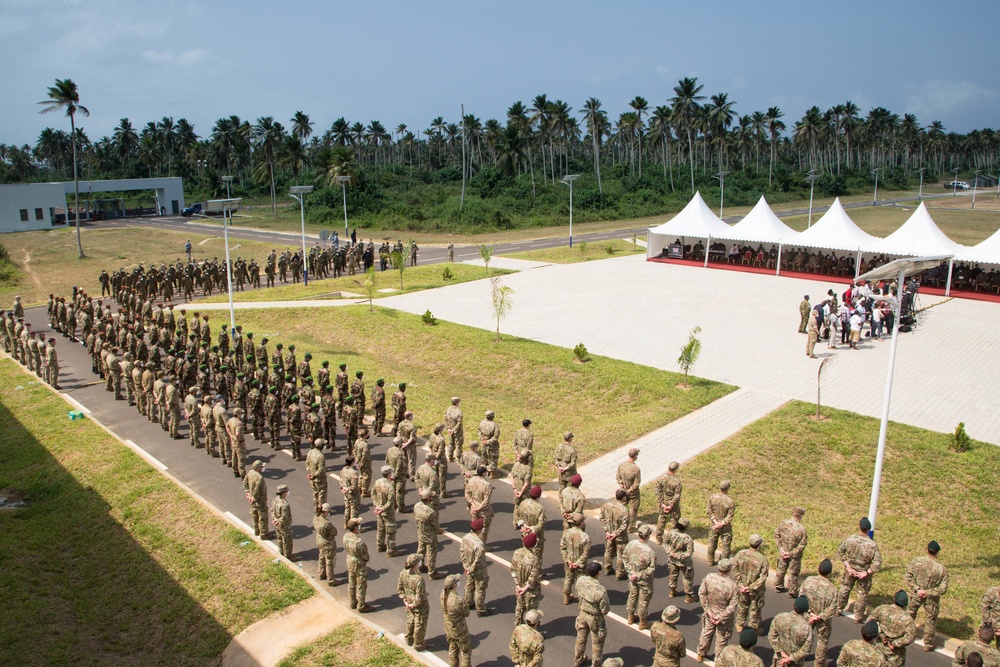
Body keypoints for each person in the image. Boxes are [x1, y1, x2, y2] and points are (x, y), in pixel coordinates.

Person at [905, 540, 949, 650]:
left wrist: (917, 589)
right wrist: (928, 592)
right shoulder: (940, 569)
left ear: (927, 549)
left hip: (916, 594)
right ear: (937, 552)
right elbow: (943, 588)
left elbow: (908, 577)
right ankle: (928, 643)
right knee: (931, 619)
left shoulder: (917, 562)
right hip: (931, 599)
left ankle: (906, 634)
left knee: (910, 613)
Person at [837, 517, 882, 621]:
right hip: (863, 574)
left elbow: (840, 552)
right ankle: (858, 616)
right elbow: (877, 562)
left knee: (845, 589)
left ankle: (838, 609)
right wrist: (867, 572)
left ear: (859, 527)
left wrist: (848, 566)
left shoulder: (850, 539)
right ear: (869, 529)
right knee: (862, 594)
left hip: (850, 570)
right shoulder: (872, 545)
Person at [697, 559, 739, 662]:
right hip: (724, 618)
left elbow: (702, 594)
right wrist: (720, 616)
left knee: (706, 633)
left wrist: (708, 610)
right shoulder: (732, 586)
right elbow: (732, 606)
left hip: (710, 614)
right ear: (729, 570)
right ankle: (719, 660)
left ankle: (700, 654)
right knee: (722, 639)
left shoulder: (709, 577)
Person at [801, 559, 839, 667]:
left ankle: (802, 654)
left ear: (819, 569)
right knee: (822, 641)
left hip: (808, 615)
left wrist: (809, 611)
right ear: (830, 573)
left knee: (805, 635)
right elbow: (833, 608)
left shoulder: (809, 580)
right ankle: (819, 663)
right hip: (823, 620)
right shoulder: (833, 589)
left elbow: (801, 595)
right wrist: (819, 616)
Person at [574, 561, 611, 667]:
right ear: (598, 573)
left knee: (580, 639)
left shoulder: (581, 580)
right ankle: (596, 664)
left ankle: (578, 659)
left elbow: (578, 593)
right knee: (597, 643)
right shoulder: (601, 590)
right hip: (595, 618)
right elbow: (605, 610)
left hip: (583, 613)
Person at [869, 591, 916, 667]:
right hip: (896, 654)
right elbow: (910, 637)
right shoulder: (908, 619)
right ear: (906, 604)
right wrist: (895, 643)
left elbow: (870, 623)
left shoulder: (882, 609)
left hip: (879, 647)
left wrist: (881, 635)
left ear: (894, 599)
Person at [733, 533, 769, 635]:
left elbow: (735, 568)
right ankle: (754, 628)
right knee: (755, 608)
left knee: (742, 605)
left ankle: (739, 625)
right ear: (759, 545)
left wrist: (740, 584)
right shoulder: (762, 559)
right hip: (756, 591)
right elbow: (763, 577)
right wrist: (751, 587)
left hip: (742, 588)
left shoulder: (740, 554)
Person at [623, 524, 656, 630]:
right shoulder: (650, 552)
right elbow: (651, 569)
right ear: (648, 536)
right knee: (644, 601)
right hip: (644, 581)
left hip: (632, 577)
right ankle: (642, 622)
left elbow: (625, 558)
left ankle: (630, 616)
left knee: (632, 596)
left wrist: (631, 573)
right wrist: (638, 575)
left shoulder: (630, 544)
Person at [398, 554, 429, 651]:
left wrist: (405, 601)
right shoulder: (419, 579)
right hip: (419, 605)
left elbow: (400, 588)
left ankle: (408, 638)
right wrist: (414, 604)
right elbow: (419, 596)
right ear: (416, 564)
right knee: (419, 623)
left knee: (410, 620)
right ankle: (418, 644)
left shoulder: (403, 573)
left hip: (408, 602)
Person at [775, 507, 808, 596]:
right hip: (794, 556)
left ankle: (778, 585)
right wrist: (791, 553)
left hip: (782, 552)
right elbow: (802, 544)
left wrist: (781, 549)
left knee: (781, 569)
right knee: (793, 573)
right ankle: (792, 591)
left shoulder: (783, 523)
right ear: (800, 516)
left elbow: (777, 536)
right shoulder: (801, 529)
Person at [461, 519, 491, 616]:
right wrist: (471, 568)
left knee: (469, 585)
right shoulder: (479, 543)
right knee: (480, 589)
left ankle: (468, 603)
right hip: (478, 570)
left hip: (468, 566)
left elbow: (462, 552)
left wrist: (466, 566)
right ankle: (481, 609)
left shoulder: (465, 538)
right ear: (479, 530)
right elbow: (479, 560)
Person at [441, 574, 472, 667]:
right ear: (454, 585)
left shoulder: (443, 594)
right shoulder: (458, 600)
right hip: (459, 629)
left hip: (449, 627)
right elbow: (467, 613)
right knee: (465, 652)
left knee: (453, 648)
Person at [561, 511, 591, 605]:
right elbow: (586, 553)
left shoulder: (566, 533)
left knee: (568, 579)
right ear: (581, 523)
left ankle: (566, 597)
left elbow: (563, 547)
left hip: (569, 562)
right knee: (581, 581)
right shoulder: (585, 537)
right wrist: (578, 563)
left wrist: (568, 560)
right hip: (580, 565)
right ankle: (581, 602)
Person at [512, 533, 541, 625]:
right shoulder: (534, 559)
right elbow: (533, 578)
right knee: (531, 612)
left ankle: (518, 624)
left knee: (519, 607)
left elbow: (513, 570)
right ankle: (530, 630)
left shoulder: (517, 552)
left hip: (519, 585)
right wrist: (525, 588)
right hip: (531, 590)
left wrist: (518, 585)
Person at [665, 517, 697, 602]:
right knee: (687, 578)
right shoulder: (687, 538)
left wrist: (671, 553)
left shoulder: (671, 533)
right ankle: (688, 596)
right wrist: (679, 556)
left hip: (672, 559)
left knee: (673, 574)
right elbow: (689, 552)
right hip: (684, 562)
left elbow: (665, 543)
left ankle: (672, 591)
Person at [343, 518, 372, 612]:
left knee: (351, 583)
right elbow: (365, 555)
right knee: (361, 585)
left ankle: (352, 602)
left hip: (349, 561)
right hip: (359, 564)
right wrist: (366, 558)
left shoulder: (346, 536)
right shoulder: (359, 542)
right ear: (355, 528)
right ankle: (361, 605)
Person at [372, 465, 401, 556]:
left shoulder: (377, 482)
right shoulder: (389, 487)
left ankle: (380, 546)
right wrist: (382, 508)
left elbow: (373, 493)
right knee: (390, 531)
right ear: (389, 474)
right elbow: (390, 502)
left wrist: (376, 505)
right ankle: (391, 550)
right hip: (387, 512)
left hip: (378, 510)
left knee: (380, 529)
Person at [600, 489, 629, 579]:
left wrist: (607, 531)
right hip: (620, 537)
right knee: (621, 554)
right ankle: (619, 573)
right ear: (623, 498)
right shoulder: (624, 510)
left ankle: (607, 569)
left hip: (609, 534)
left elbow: (602, 518)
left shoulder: (607, 505)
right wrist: (616, 534)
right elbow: (624, 525)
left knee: (608, 551)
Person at [415, 491, 442, 578]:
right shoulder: (431, 512)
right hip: (430, 535)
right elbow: (436, 525)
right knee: (431, 553)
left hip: (420, 532)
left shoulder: (417, 506)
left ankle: (419, 566)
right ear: (428, 498)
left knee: (420, 551)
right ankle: (432, 572)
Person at [707, 480, 736, 565]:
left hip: (714, 525)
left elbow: (709, 511)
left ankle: (710, 561)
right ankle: (724, 564)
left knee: (712, 543)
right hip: (725, 527)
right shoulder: (730, 501)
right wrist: (721, 523)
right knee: (726, 545)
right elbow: (729, 516)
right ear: (728, 488)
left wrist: (715, 522)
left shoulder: (713, 497)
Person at [655, 461, 682, 543]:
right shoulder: (677, 482)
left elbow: (658, 491)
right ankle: (670, 538)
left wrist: (662, 503)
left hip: (664, 501)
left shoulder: (660, 478)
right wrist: (671, 505)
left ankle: (658, 538)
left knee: (662, 519)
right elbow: (677, 495)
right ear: (675, 469)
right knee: (674, 519)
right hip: (673, 504)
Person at [616, 448, 641, 533]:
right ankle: (630, 528)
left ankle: (619, 521)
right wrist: (629, 491)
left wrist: (621, 485)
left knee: (622, 506)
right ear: (636, 456)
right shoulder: (636, 469)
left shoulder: (622, 465)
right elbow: (636, 483)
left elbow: (618, 476)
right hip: (633, 493)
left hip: (623, 491)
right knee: (633, 509)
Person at [243, 460, 269, 538]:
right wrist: (254, 497)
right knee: (262, 517)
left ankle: (256, 530)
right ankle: (264, 534)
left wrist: (247, 492)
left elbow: (245, 482)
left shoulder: (250, 472)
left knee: (254, 515)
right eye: (261, 467)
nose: (262, 468)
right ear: (258, 468)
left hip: (252, 499)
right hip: (260, 500)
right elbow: (257, 490)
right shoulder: (259, 478)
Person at [314, 502, 339, 586]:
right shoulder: (327, 523)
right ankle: (331, 579)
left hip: (319, 541)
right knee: (329, 561)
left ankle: (321, 573)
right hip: (327, 543)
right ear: (325, 512)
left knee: (321, 557)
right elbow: (334, 532)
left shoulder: (316, 518)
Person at [468, 465, 494, 545]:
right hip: (484, 511)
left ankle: (472, 543)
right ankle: (481, 546)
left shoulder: (471, 480)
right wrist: (479, 508)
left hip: (473, 508)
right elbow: (486, 501)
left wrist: (473, 504)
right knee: (484, 529)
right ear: (483, 473)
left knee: (474, 527)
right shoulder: (487, 485)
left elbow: (467, 494)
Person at [270, 484, 294, 561]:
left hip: (276, 524)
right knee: (287, 541)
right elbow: (284, 517)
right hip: (284, 526)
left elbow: (272, 510)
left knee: (280, 538)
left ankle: (281, 552)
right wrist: (279, 521)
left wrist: (274, 519)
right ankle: (288, 556)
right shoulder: (284, 505)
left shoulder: (275, 500)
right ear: (284, 493)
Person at [305, 438, 328, 515]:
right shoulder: (321, 456)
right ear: (321, 446)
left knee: (315, 493)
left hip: (312, 479)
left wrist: (310, 473)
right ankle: (322, 510)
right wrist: (314, 474)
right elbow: (321, 469)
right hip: (320, 479)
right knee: (322, 495)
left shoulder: (310, 452)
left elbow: (307, 464)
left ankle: (316, 508)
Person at [478, 409, 500, 477]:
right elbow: (496, 437)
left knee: (484, 456)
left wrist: (482, 439)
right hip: (492, 445)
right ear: (492, 416)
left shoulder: (482, 422)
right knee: (493, 458)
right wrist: (488, 441)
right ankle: (493, 474)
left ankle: (483, 470)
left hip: (484, 442)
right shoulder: (495, 425)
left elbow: (479, 431)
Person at [445, 396, 464, 461]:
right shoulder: (459, 411)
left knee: (451, 443)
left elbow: (446, 420)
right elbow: (459, 423)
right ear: (457, 403)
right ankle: (458, 460)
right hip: (457, 431)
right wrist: (454, 430)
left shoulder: (448, 409)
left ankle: (450, 457)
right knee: (458, 445)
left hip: (450, 430)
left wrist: (448, 429)